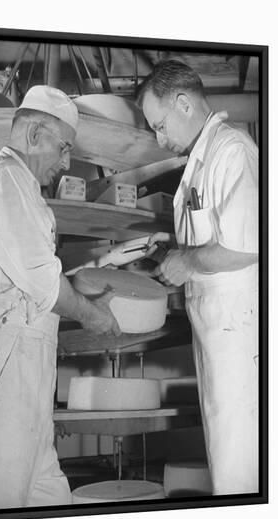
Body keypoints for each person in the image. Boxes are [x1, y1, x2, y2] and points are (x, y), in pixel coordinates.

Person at [0, 85, 120, 511]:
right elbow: (45, 286)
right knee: (4, 510)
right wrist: (93, 316)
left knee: (49, 502)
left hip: (25, 385)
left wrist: (86, 285)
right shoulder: (3, 179)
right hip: (3, 379)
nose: (66, 163)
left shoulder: (19, 188)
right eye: (63, 148)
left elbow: (34, 280)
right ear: (33, 135)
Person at [137, 60, 259, 495]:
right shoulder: (202, 159)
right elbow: (210, 240)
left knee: (239, 464)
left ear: (184, 103)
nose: (159, 138)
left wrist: (185, 263)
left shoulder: (232, 151)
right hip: (215, 331)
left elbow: (245, 246)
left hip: (237, 332)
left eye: (159, 125)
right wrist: (175, 250)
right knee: (224, 455)